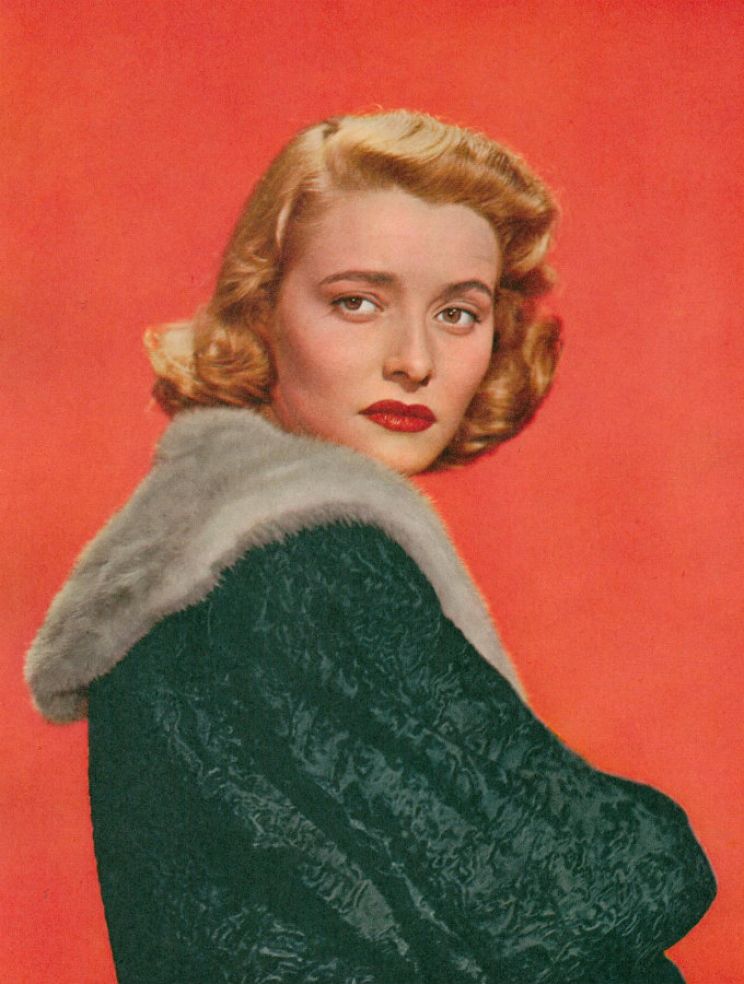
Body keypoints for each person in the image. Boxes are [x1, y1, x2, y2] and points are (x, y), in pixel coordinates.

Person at [25, 111, 714, 984]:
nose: (414, 361)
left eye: (458, 313)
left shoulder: (206, 555)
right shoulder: (305, 567)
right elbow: (590, 890)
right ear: (261, 310)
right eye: (357, 302)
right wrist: (660, 843)